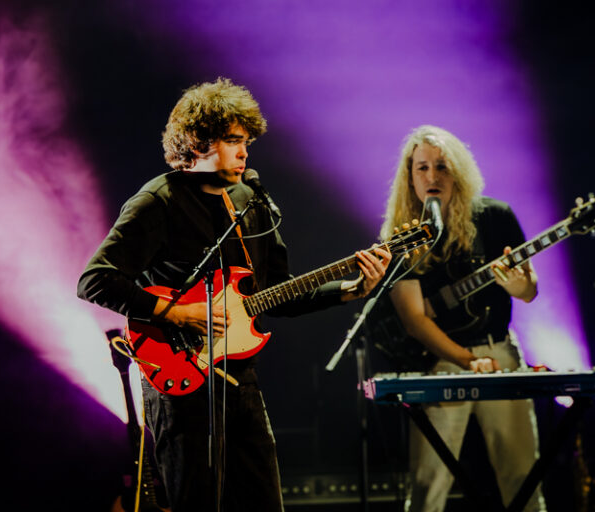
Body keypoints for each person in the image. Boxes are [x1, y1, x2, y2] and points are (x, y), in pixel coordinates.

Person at [77, 78, 391, 512]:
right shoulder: (158, 201)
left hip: (240, 380)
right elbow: (95, 280)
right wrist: (176, 313)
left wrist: (349, 290)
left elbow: (279, 292)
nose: (243, 153)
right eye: (231, 141)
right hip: (180, 381)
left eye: (246, 142)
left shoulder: (251, 201)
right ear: (197, 142)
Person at [380, 125, 546, 511]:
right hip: (441, 361)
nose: (432, 176)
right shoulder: (402, 233)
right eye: (422, 168)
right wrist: (467, 360)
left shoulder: (495, 216)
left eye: (442, 166)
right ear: (409, 176)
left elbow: (529, 291)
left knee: (522, 474)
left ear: (459, 171)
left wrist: (518, 285)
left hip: (499, 353)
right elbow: (414, 319)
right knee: (429, 482)